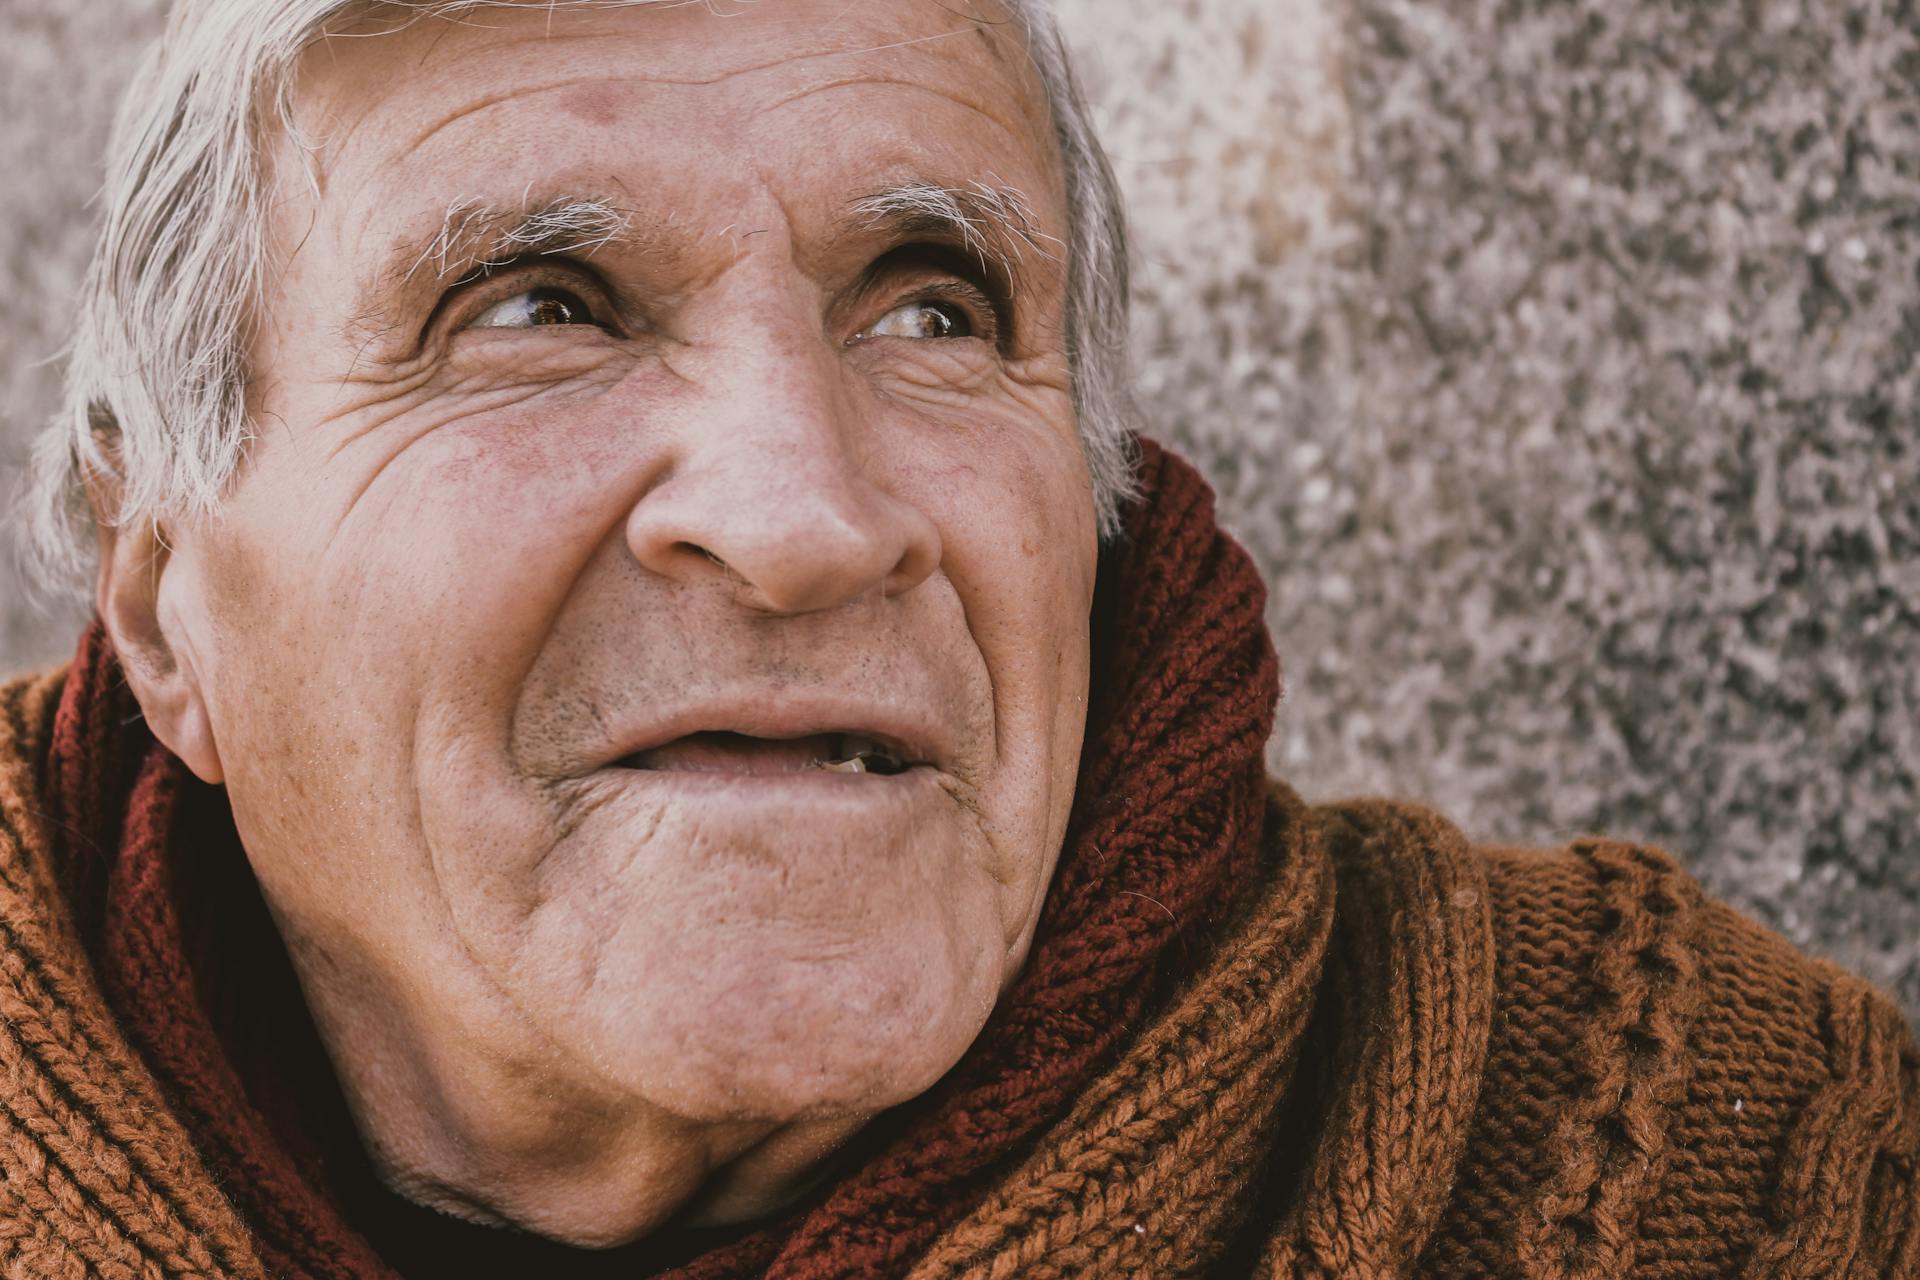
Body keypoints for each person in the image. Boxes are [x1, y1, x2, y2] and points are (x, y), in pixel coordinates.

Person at [3, 0, 1914, 1275]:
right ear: (166, 603)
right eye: (539, 307)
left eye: (934, 308)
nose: (805, 516)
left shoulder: (1718, 1166)